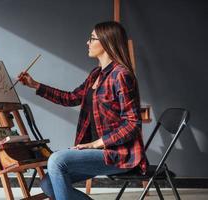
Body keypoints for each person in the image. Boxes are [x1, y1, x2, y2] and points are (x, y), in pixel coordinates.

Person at [18, 21, 148, 200]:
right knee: (48, 184)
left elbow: (133, 124)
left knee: (56, 160)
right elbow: (71, 98)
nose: (87, 42)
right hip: (99, 152)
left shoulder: (121, 75)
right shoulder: (96, 74)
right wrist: (35, 85)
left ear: (107, 42)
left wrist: (95, 144)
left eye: (92, 38)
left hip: (118, 154)